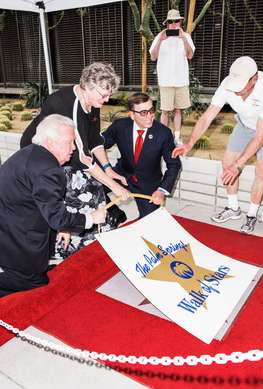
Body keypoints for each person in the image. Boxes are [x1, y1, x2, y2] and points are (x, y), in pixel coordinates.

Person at [20, 62, 129, 258]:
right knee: (73, 197)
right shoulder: (66, 105)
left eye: (109, 95)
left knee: (96, 190)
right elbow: (83, 161)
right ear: (87, 86)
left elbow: (95, 140)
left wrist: (107, 168)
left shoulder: (91, 102)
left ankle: (91, 239)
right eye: (103, 95)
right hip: (43, 156)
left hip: (70, 153)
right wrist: (115, 186)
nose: (106, 100)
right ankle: (62, 248)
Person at [173, 56, 263, 235]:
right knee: (227, 163)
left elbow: (260, 136)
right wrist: (189, 143)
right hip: (244, 123)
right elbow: (207, 117)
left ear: (254, 79)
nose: (236, 93)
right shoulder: (226, 85)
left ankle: (252, 214)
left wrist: (239, 165)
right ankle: (233, 208)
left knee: (261, 170)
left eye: (240, 88)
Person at [0, 115, 107, 297]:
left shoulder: (32, 152)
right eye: (69, 142)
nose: (73, 148)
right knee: (35, 284)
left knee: (38, 269)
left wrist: (63, 226)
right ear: (50, 142)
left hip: (14, 218)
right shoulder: (48, 170)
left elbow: (46, 204)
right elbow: (57, 217)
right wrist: (91, 218)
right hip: (18, 234)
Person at [97, 92, 181, 218]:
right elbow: (98, 145)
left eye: (151, 110)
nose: (150, 116)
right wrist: (106, 168)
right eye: (143, 113)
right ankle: (115, 215)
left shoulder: (163, 133)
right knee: (92, 189)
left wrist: (161, 190)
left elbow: (174, 164)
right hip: (122, 175)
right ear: (131, 115)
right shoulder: (120, 126)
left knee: (149, 224)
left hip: (149, 184)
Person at [149, 9, 195, 145]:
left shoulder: (186, 36)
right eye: (171, 21)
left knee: (178, 110)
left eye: (176, 21)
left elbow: (190, 55)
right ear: (167, 23)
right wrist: (160, 41)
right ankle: (164, 137)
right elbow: (153, 57)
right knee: (165, 111)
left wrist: (184, 39)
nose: (174, 24)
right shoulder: (160, 37)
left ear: (180, 22)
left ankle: (177, 136)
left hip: (181, 80)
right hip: (166, 80)